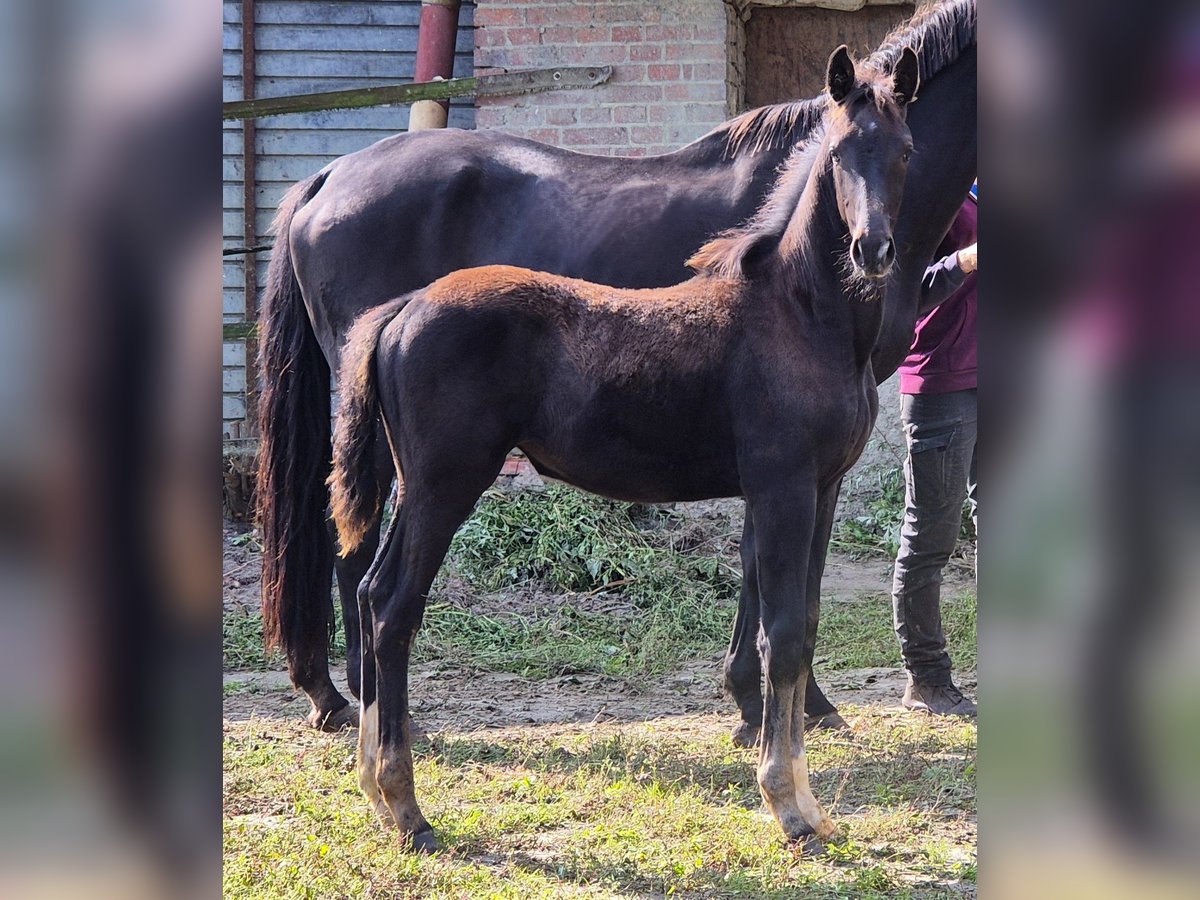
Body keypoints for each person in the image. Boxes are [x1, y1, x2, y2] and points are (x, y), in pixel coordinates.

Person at [891, 187, 978, 716]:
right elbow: (898, 289)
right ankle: (925, 678)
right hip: (942, 383)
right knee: (931, 533)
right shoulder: (931, 187)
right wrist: (966, 259)